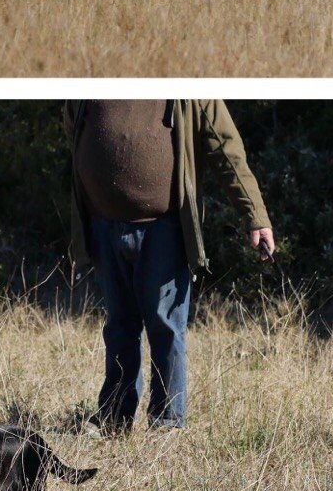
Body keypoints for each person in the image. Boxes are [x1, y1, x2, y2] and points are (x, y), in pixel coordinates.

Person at [65, 100, 275, 433]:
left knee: (165, 327)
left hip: (164, 228)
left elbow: (226, 149)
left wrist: (255, 216)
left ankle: (166, 422)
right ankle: (114, 418)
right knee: (119, 327)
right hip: (104, 225)